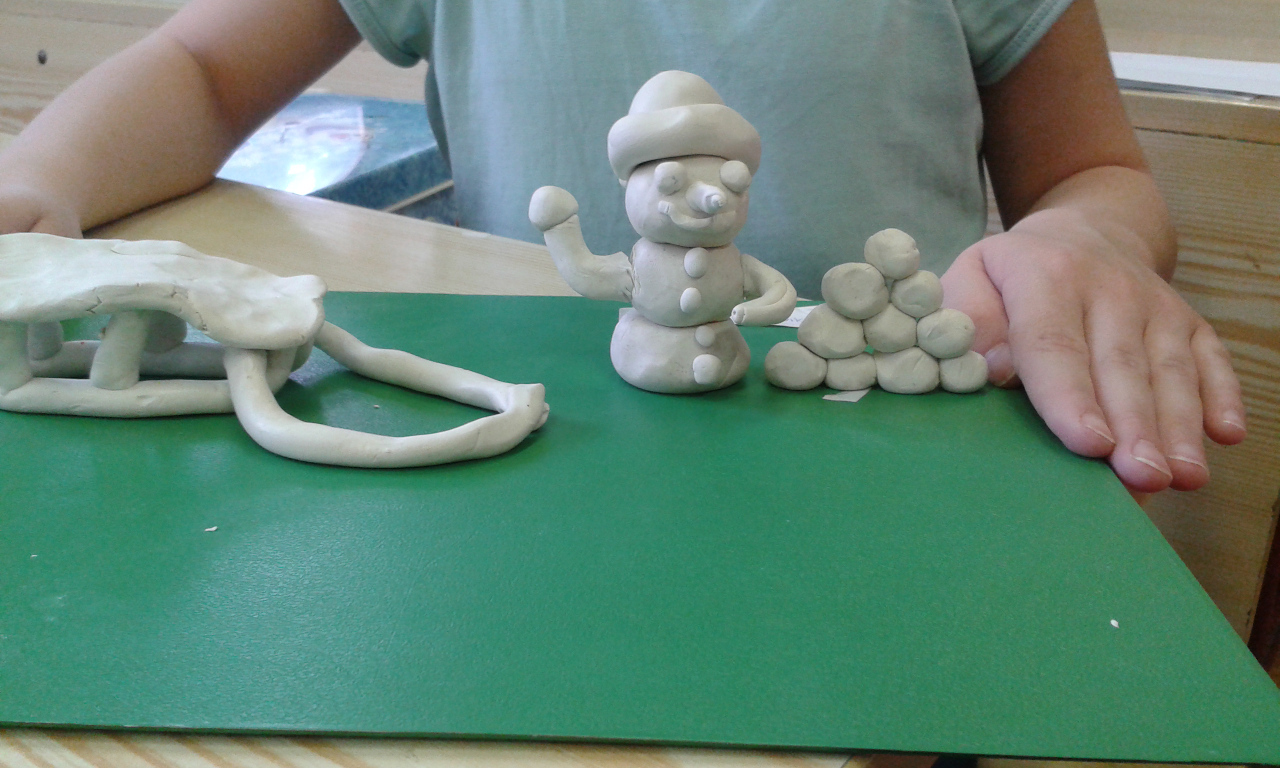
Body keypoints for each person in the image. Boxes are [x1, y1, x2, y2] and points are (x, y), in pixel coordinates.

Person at [0, 0, 1245, 495]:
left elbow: (1091, 171)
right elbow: (202, 67)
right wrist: (37, 181)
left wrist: (1085, 236)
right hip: (555, 451)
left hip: (898, 453)